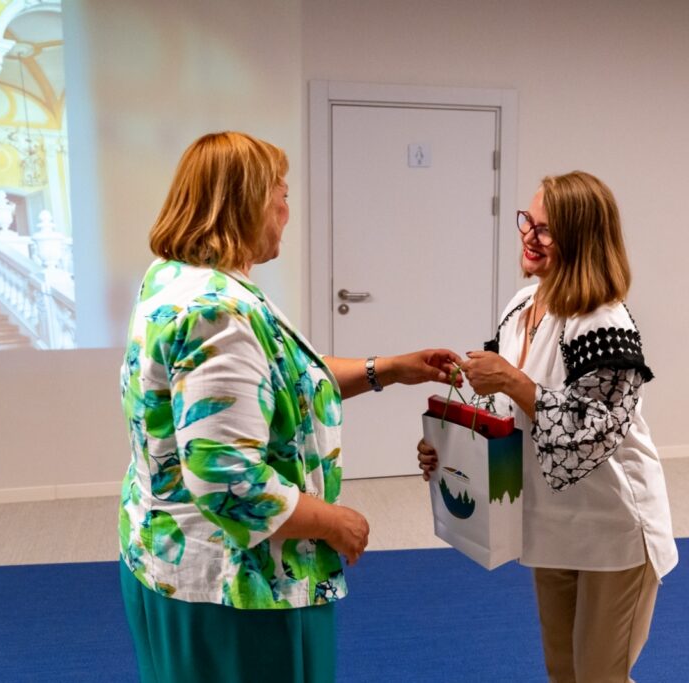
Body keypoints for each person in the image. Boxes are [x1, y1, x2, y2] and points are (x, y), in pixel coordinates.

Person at [119, 131, 461, 683]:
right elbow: (229, 482)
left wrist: (390, 369)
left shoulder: (173, 279)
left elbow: (278, 384)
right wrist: (334, 523)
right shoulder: (218, 314)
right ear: (248, 204)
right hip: (235, 590)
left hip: (174, 560)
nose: (286, 211)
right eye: (281, 195)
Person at [419, 171, 678, 683]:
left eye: (546, 230)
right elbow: (501, 410)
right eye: (528, 221)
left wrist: (513, 381)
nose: (529, 237)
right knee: (563, 673)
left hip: (613, 530)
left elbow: (590, 433)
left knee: (600, 676)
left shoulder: (604, 323)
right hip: (551, 524)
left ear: (581, 240)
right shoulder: (521, 306)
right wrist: (446, 444)